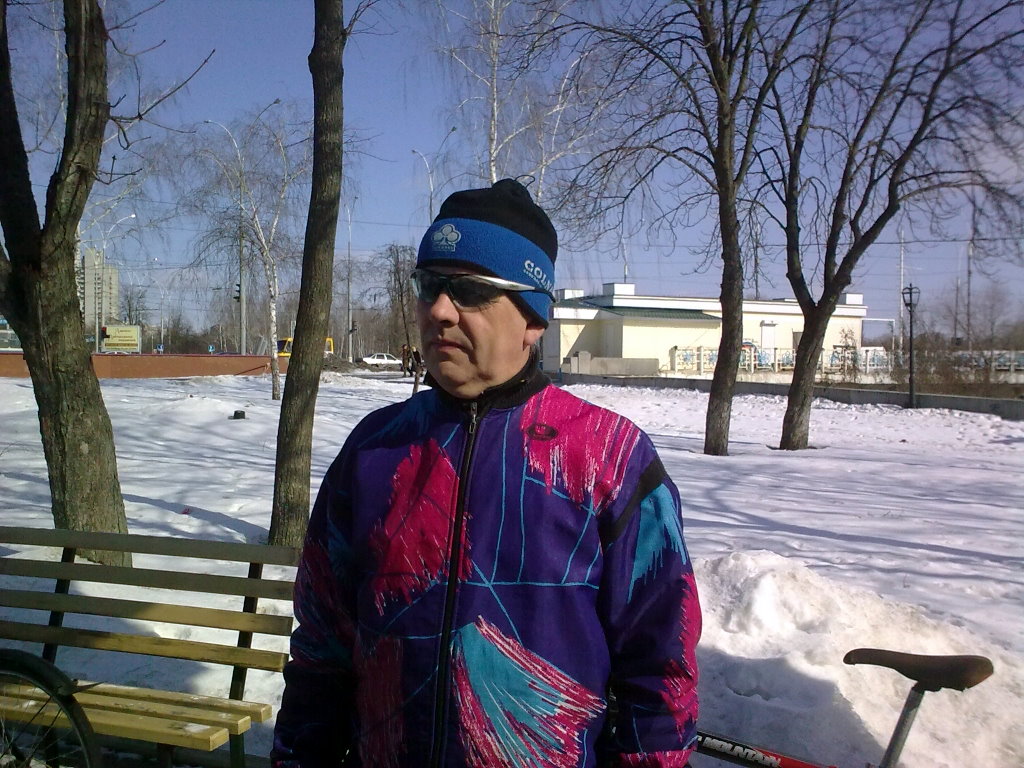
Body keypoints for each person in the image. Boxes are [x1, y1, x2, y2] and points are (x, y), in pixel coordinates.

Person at [272, 179, 700, 768]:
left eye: (470, 291)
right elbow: (324, 646)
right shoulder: (375, 449)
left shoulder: (609, 457)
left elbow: (660, 665)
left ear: (533, 317)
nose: (439, 311)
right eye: (429, 286)